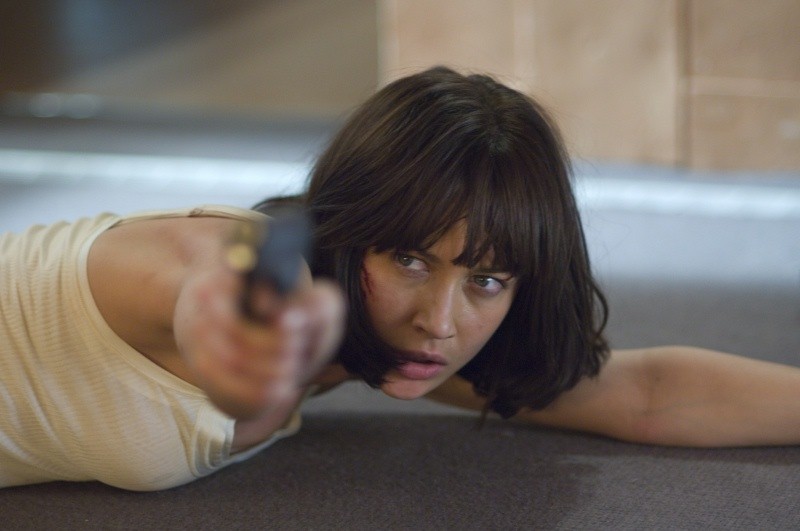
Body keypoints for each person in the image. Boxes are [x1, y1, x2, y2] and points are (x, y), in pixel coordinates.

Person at [1, 66, 798, 491]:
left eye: (487, 279)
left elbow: (645, 393)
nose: (440, 322)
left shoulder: (398, 342)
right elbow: (212, 298)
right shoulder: (224, 261)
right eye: (409, 259)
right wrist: (241, 338)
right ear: (352, 228)